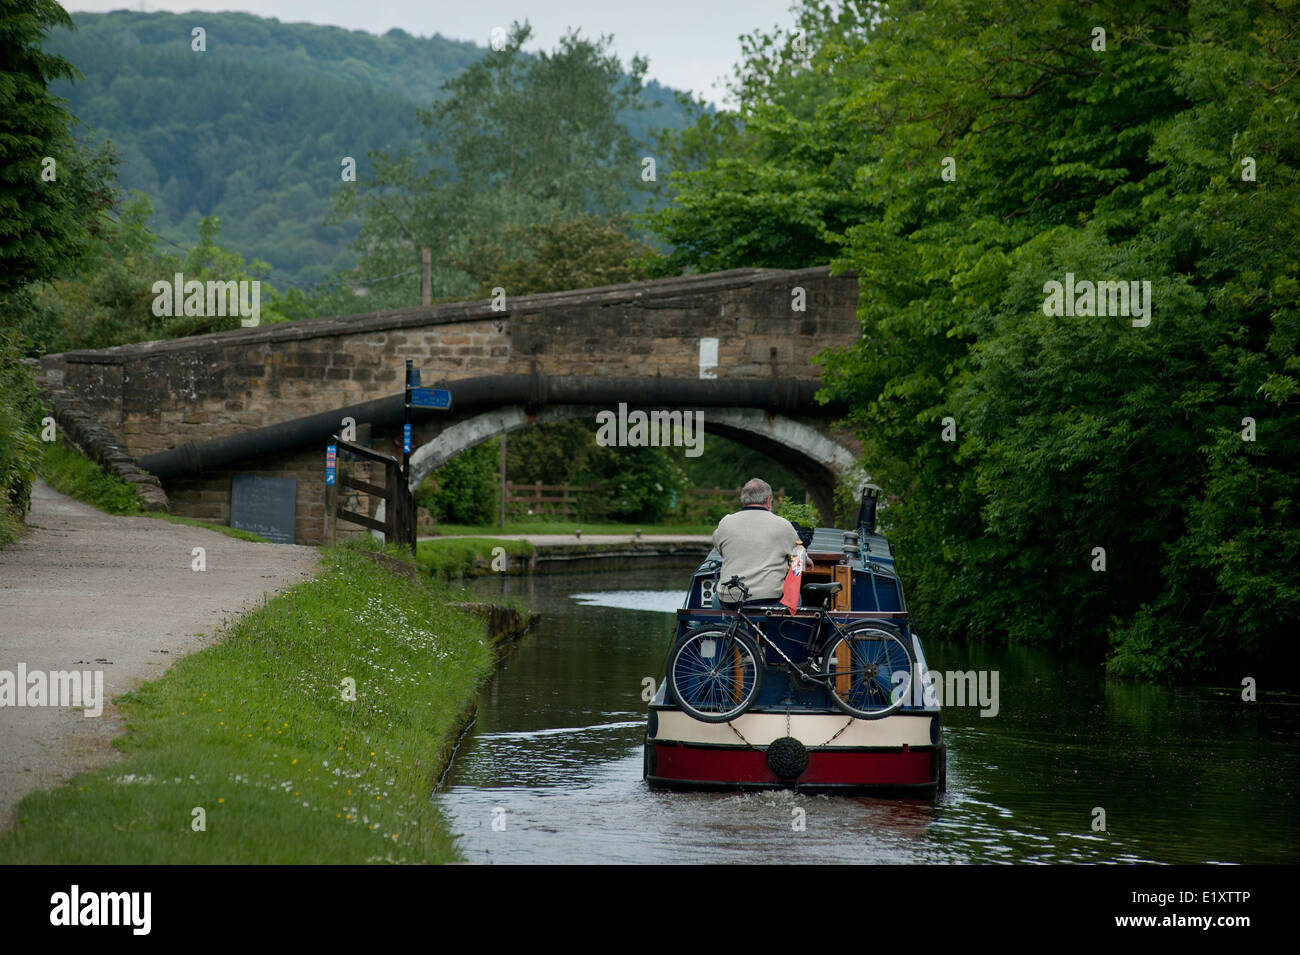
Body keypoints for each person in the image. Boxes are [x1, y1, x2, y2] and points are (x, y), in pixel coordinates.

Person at [712, 478, 812, 609]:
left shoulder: (725, 523)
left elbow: (720, 548)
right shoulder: (782, 525)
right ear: (768, 500)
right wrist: (808, 560)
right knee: (795, 597)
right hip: (767, 598)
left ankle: (719, 628)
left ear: (743, 499)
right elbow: (798, 554)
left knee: (716, 597)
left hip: (730, 597)